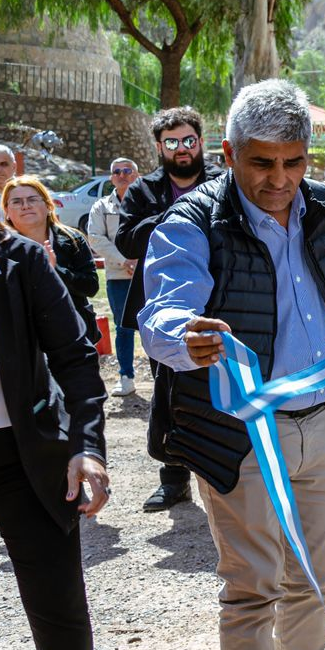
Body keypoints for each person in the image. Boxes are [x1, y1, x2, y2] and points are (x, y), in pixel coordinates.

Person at [139, 80, 325, 650]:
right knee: (252, 589)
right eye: (262, 163)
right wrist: (186, 335)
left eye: (293, 162)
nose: (280, 180)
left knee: (314, 582)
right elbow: (161, 315)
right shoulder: (192, 221)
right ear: (229, 154)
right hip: (240, 436)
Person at [0, 218, 109, 650]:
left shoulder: (20, 258)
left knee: (56, 603)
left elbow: (74, 355)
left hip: (21, 452)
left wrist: (87, 445)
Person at [116, 106, 222, 513]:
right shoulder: (142, 190)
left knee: (223, 391)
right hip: (164, 311)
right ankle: (174, 480)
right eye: (172, 142)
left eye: (188, 140)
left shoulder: (223, 182)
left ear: (201, 141)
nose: (182, 149)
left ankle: (225, 477)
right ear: (159, 147)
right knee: (169, 394)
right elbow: (127, 240)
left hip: (220, 304)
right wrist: (180, 216)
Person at [2, 177, 100, 344]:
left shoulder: (73, 240)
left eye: (32, 199)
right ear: (6, 211)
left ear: (48, 205)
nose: (25, 206)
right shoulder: (0, 248)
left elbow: (90, 287)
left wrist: (55, 269)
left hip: (74, 334)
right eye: (17, 202)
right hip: (25, 340)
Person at [87, 158, 141, 396]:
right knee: (123, 327)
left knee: (156, 325)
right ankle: (126, 377)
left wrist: (140, 262)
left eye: (127, 170)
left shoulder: (148, 203)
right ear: (111, 178)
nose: (122, 175)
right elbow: (95, 238)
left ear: (137, 175)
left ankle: (164, 376)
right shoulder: (101, 206)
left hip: (147, 274)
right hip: (118, 276)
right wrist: (124, 261)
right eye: (117, 171)